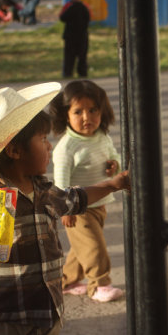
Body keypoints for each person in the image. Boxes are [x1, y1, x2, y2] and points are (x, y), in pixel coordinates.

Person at [0, 82, 130, 335]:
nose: (49, 146)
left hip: (46, 310)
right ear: (14, 150)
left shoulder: (45, 192)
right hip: (5, 315)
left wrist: (112, 185)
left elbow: (77, 197)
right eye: (42, 139)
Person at [47, 80, 124, 303]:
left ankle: (66, 281)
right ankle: (100, 285)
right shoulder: (67, 147)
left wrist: (114, 165)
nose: (86, 117)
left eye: (93, 110)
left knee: (83, 248)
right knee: (94, 248)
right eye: (78, 112)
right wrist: (65, 209)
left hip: (99, 204)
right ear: (66, 115)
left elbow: (114, 156)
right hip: (77, 209)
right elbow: (61, 183)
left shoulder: (102, 137)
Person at [59, 0, 91, 78]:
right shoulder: (85, 6)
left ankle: (67, 73)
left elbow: (62, 17)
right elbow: (88, 18)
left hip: (70, 36)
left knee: (69, 57)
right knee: (82, 56)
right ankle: (83, 73)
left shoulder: (68, 6)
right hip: (82, 36)